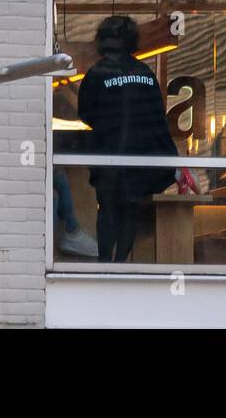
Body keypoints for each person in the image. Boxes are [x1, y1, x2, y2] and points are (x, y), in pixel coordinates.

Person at [78, 15, 197, 262]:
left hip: (109, 156)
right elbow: (156, 117)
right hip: (140, 158)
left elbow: (86, 113)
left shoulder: (97, 73)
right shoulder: (145, 73)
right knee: (130, 209)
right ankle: (121, 262)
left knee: (108, 209)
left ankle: (104, 264)